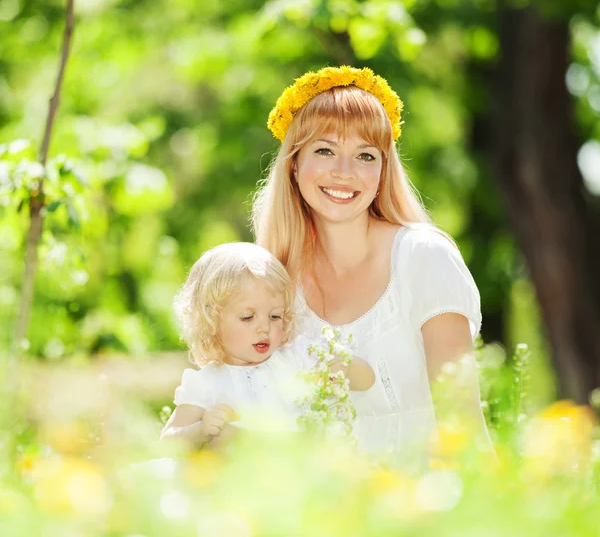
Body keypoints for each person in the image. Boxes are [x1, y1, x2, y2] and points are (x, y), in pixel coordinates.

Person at [252, 66, 492, 457]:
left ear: (382, 172)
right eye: (325, 150)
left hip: (426, 503)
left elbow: (462, 425)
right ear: (294, 165)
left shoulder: (423, 259)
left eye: (365, 155)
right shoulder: (274, 282)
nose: (344, 173)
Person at [161, 242, 375, 449]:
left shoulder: (296, 358)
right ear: (211, 321)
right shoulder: (207, 383)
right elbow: (167, 443)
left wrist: (341, 368)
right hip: (244, 478)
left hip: (299, 467)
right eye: (247, 317)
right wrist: (201, 430)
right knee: (228, 437)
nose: (264, 327)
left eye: (275, 316)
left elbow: (367, 380)